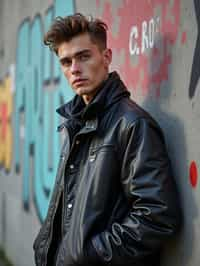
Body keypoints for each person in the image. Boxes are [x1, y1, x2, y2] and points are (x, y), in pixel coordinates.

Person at [33, 13, 181, 266]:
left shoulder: (132, 124)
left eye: (83, 56)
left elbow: (156, 216)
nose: (75, 69)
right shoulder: (75, 123)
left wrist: (87, 254)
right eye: (66, 62)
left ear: (106, 57)